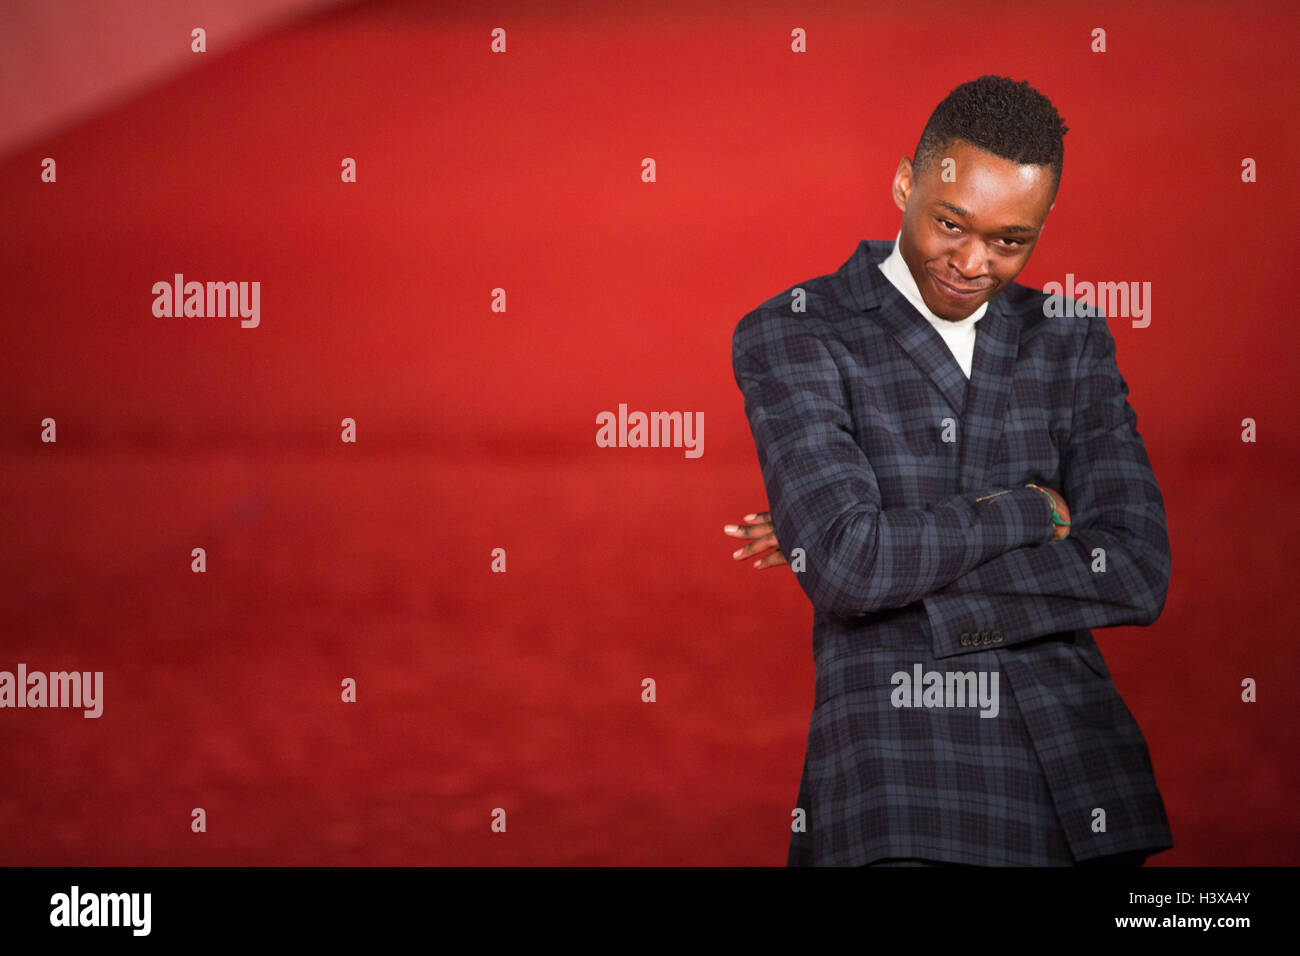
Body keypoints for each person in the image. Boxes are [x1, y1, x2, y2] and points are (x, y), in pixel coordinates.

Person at [726, 75, 1172, 867]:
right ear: (905, 182)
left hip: (1079, 777)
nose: (972, 262)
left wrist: (899, 558)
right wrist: (1036, 511)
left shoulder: (1070, 338)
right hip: (904, 781)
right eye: (950, 224)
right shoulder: (796, 331)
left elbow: (1135, 568)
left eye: (1010, 241)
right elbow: (849, 566)